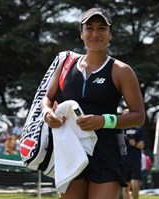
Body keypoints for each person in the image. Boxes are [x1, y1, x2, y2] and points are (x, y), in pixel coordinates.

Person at [40, 7, 145, 199]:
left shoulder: (121, 70)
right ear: (81, 34)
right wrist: (48, 113)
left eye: (102, 28)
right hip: (70, 149)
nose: (95, 33)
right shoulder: (66, 65)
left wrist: (104, 121)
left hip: (106, 153)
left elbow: (139, 116)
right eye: (89, 28)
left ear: (110, 34)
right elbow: (47, 99)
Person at [121, 112, 144, 199]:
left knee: (135, 185)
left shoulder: (138, 129)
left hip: (135, 162)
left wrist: (134, 144)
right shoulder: (121, 130)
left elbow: (142, 145)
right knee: (125, 188)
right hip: (123, 162)